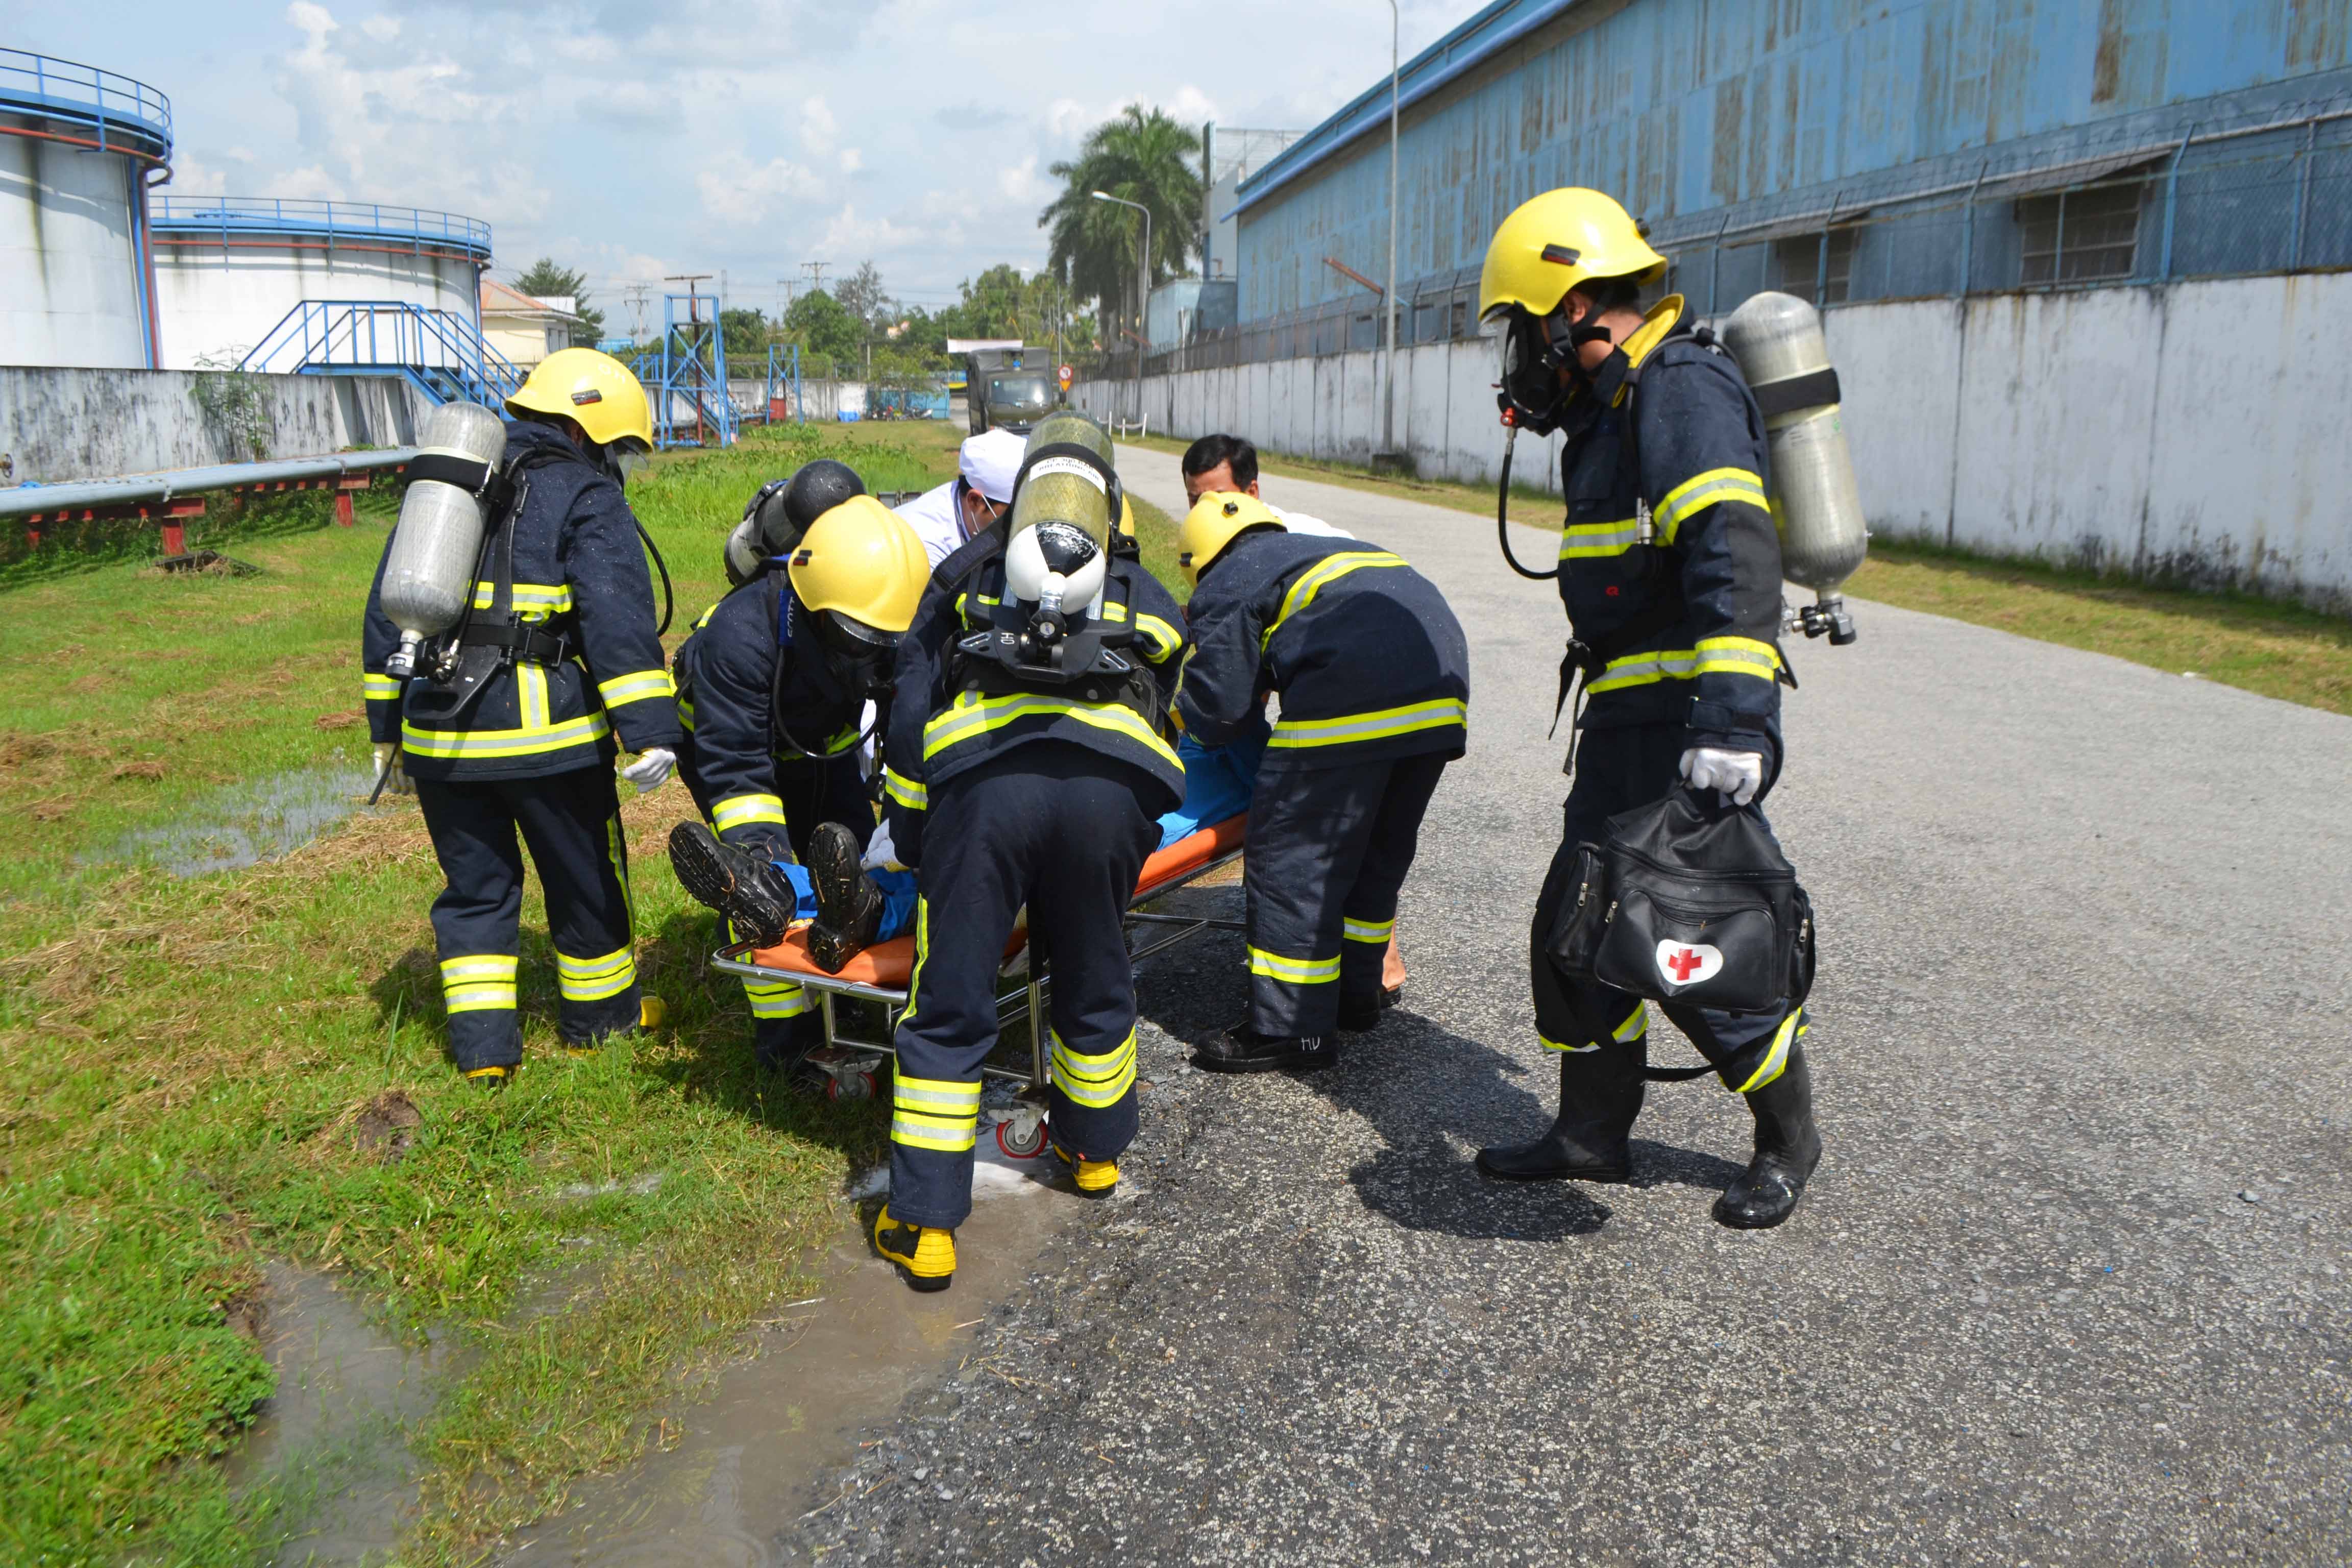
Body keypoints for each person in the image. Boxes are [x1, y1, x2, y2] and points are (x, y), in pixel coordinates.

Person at [1469, 186, 1820, 1230]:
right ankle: (1591, 1130)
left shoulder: (1682, 386)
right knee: (1577, 935)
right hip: (1626, 724)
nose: (1520, 358)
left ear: (1576, 307)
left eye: (1526, 331)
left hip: (1685, 729)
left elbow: (1732, 544)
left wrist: (1734, 719)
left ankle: (1789, 1133)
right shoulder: (1612, 414)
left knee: (1699, 949)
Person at [870, 412, 1187, 1291]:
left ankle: (925, 1223)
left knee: (954, 1000)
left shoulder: (969, 572)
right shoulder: (1137, 586)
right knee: (1095, 968)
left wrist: (910, 830)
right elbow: (1174, 680)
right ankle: (1091, 1154)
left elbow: (909, 704)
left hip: (985, 791)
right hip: (1109, 797)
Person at [362, 348, 679, 1088]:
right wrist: (651, 732)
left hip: (438, 740)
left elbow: (387, 612)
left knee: (476, 892)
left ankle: (485, 1055)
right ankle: (600, 1027)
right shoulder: (584, 494)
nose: (617, 462)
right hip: (550, 745)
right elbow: (617, 622)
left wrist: (386, 731)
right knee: (583, 882)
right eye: (617, 448)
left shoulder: (448, 488)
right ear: (589, 431)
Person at [1176, 492, 1469, 1073]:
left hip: (1357, 693)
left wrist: (1181, 714)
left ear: (1198, 561)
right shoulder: (1316, 549)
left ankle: (1291, 1030)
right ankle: (1357, 997)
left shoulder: (1228, 577)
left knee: (1291, 857)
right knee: (1375, 854)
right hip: (1441, 693)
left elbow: (1218, 712)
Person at [665, 494, 931, 1065]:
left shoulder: (884, 618)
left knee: (854, 861)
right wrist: (764, 858)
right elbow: (737, 770)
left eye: (889, 645)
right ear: (812, 611)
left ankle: (856, 993)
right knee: (763, 889)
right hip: (728, 747)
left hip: (822, 748)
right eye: (862, 644)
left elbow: (905, 722)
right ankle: (790, 1043)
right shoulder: (738, 636)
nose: (875, 661)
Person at [892, 428, 1024, 568]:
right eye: (1012, 515)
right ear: (975, 501)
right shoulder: (924, 550)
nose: (1019, 522)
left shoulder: (965, 509)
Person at [1179, 432, 1350, 537]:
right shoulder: (1200, 547)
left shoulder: (1296, 534)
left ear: (1252, 492)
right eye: (1196, 500)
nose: (1204, 511)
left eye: (1218, 498)